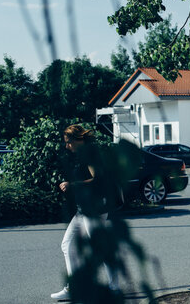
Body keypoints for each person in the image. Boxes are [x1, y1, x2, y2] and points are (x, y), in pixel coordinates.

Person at [51, 125, 120, 301]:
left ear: (78, 140)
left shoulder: (91, 154)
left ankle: (114, 287)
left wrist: (72, 185)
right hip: (84, 210)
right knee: (67, 245)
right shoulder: (82, 155)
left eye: (68, 142)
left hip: (95, 210)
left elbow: (98, 180)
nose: (67, 146)